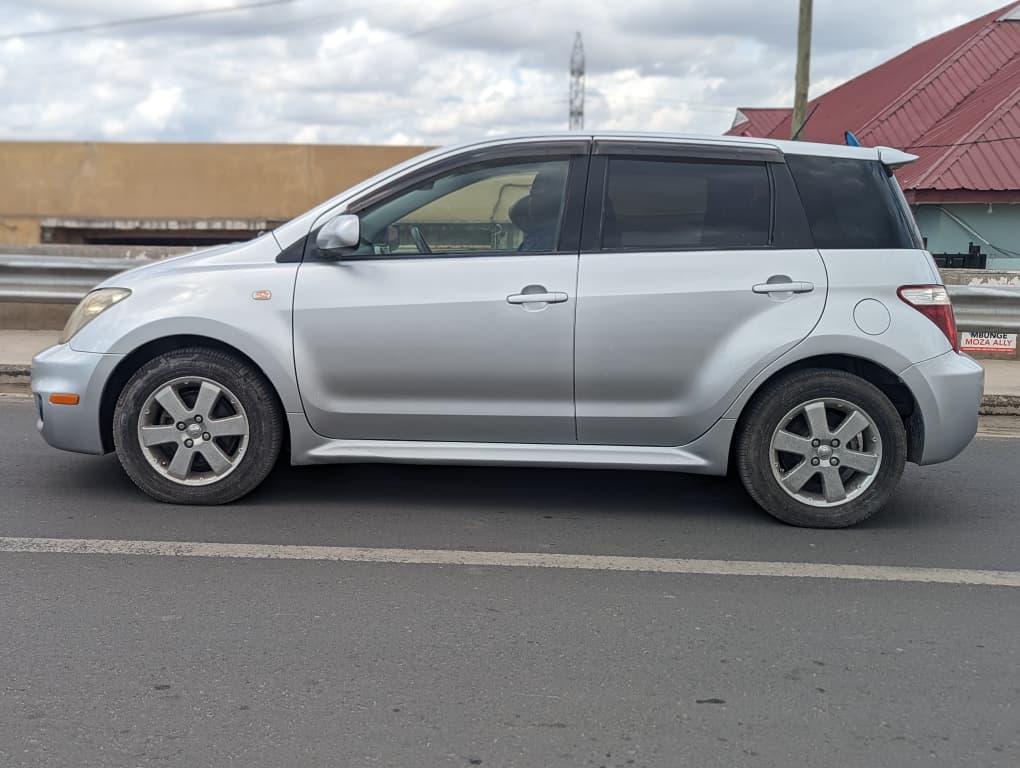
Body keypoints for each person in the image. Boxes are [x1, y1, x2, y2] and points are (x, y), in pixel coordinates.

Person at [509, 168, 566, 251]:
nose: (532, 200)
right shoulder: (535, 236)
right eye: (532, 194)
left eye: (538, 195)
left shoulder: (546, 240)